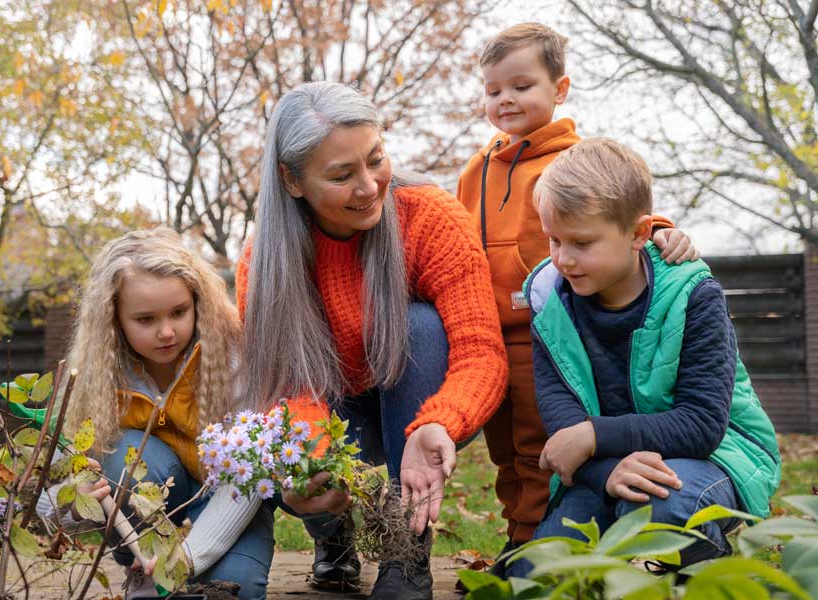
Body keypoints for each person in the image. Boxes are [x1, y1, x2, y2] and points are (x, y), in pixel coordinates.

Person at [236, 81, 508, 600]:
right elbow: (285, 387)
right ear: (291, 181)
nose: (368, 186)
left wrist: (440, 421)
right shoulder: (264, 263)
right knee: (295, 441)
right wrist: (317, 461)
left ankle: (406, 552)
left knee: (422, 325)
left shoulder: (428, 218)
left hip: (419, 402)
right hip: (334, 408)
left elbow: (481, 351)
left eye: (375, 159)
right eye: (342, 175)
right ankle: (332, 536)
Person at [455, 22, 698, 574]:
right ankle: (517, 533)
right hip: (490, 335)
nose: (505, 100)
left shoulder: (575, 158)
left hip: (551, 332)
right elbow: (457, 240)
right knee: (505, 452)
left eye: (521, 86)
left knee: (539, 442)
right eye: (493, 91)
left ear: (558, 89)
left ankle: (539, 542)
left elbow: (614, 209)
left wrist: (660, 228)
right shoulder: (477, 170)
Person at [516, 137, 781, 577]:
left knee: (665, 512)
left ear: (639, 233)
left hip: (714, 458)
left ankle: (705, 573)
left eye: (581, 242)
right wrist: (605, 469)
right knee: (536, 573)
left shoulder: (694, 295)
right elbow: (562, 417)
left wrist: (593, 436)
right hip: (604, 464)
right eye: (553, 240)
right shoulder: (549, 300)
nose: (563, 258)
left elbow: (701, 424)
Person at [37, 227, 274, 599]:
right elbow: (50, 495)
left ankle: (174, 573)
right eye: (145, 320)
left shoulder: (233, 355)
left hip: (230, 501)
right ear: (114, 318)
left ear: (198, 301)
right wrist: (72, 498)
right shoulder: (98, 375)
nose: (167, 332)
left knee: (234, 588)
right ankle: (145, 574)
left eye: (179, 312)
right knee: (120, 457)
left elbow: (252, 471)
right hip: (152, 509)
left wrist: (189, 557)